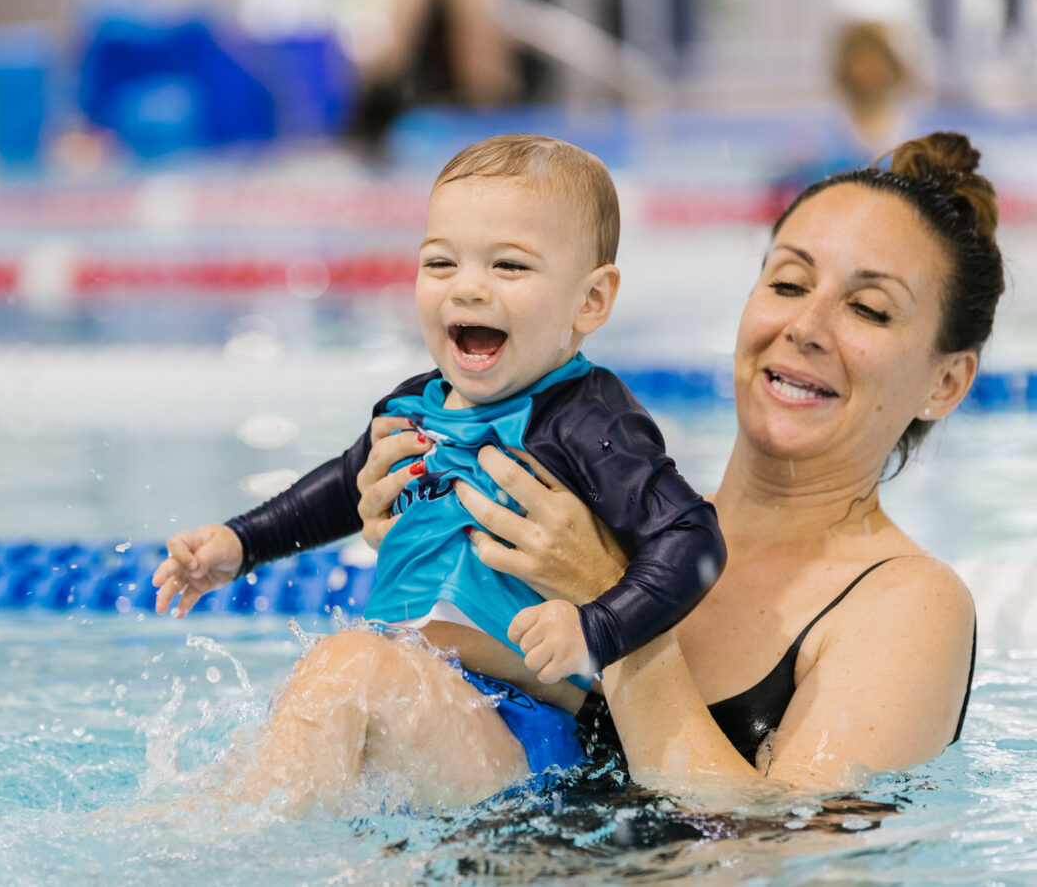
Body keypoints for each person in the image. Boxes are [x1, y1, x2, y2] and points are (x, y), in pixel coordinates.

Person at [358, 130, 998, 799]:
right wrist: (420, 524)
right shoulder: (595, 520)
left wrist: (610, 604)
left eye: (868, 308)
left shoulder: (909, 601)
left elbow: (786, 858)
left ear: (947, 383)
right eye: (787, 282)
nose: (806, 325)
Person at [152, 133, 724, 810]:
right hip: (419, 703)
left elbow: (693, 537)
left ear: (590, 301)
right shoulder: (415, 406)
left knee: (344, 668)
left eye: (510, 266)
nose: (469, 286)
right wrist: (241, 543)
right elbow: (343, 485)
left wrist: (599, 626)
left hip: (527, 732)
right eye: (441, 262)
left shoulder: (588, 421)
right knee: (305, 719)